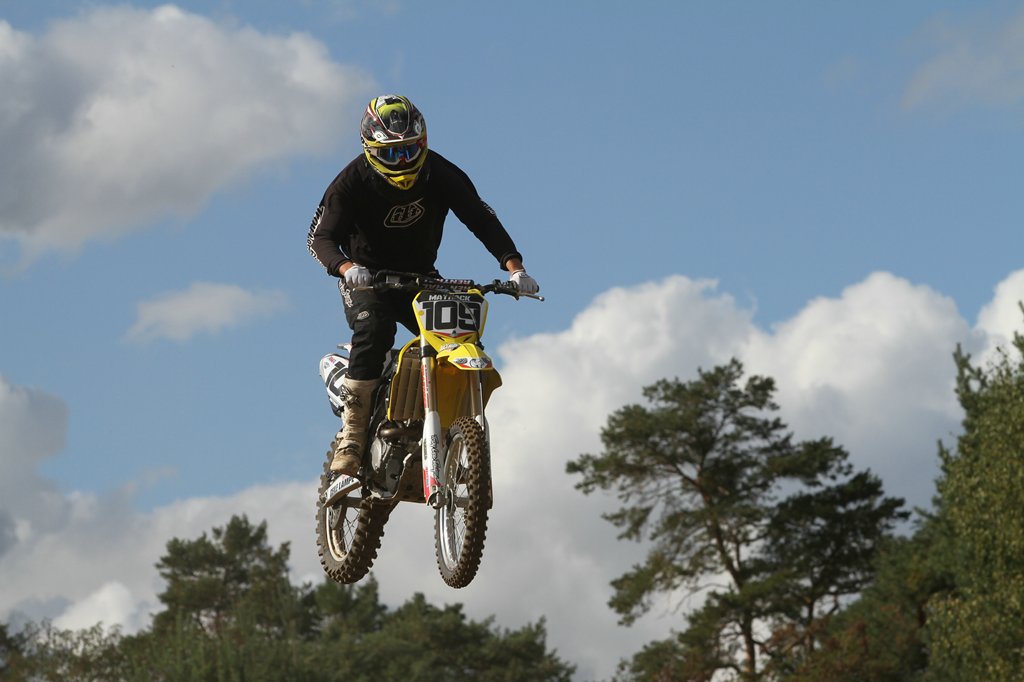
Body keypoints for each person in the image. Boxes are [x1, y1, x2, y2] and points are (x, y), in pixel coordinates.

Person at [307, 94, 539, 476]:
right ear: (370, 150)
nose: (402, 161)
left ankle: (445, 429)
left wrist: (516, 269)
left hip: (420, 276)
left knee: (458, 332)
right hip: (368, 277)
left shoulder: (439, 172)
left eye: (409, 150)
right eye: (391, 153)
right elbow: (319, 239)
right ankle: (353, 435)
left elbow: (481, 219)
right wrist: (347, 267)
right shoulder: (350, 182)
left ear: (424, 143)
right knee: (375, 327)